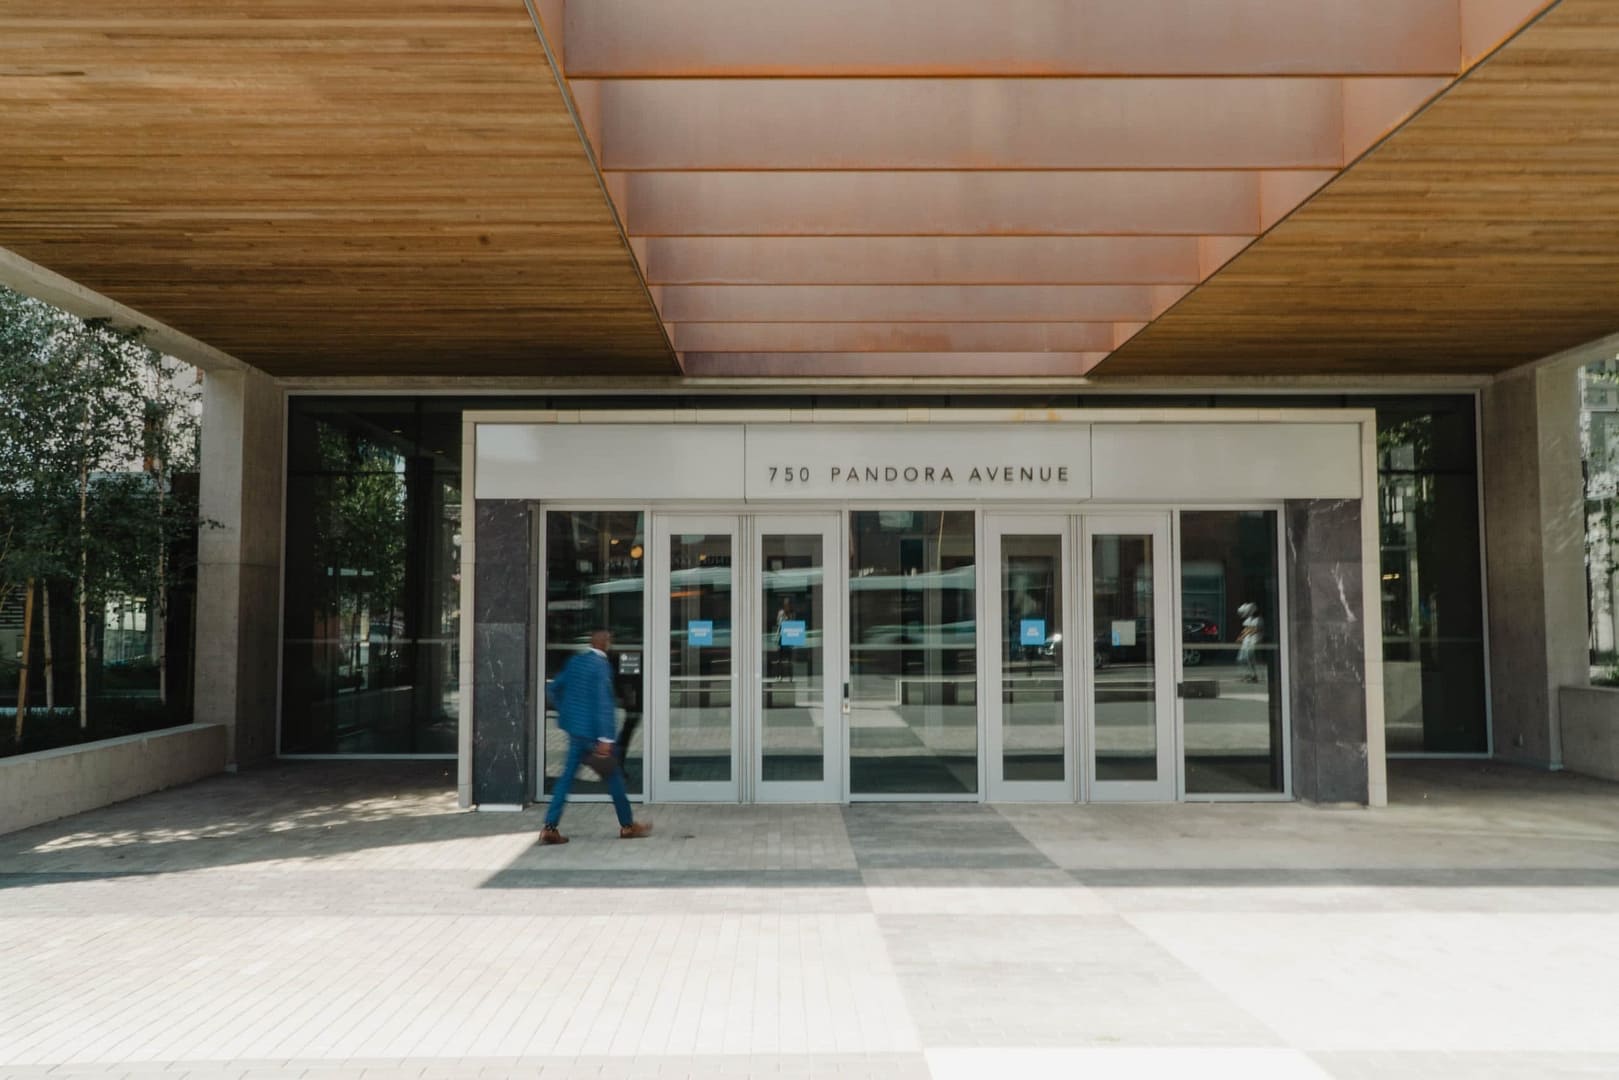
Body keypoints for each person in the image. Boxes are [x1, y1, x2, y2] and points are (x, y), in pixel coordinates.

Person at [539, 628, 651, 845]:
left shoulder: (576, 662)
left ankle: (550, 827)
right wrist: (606, 739)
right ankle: (627, 826)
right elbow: (603, 704)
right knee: (614, 777)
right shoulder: (602, 667)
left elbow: (552, 689)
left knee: (565, 779)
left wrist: (566, 713)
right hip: (593, 737)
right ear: (606, 644)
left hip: (576, 734)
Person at [1236, 603, 1264, 683]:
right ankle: (1249, 675)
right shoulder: (1249, 619)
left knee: (1251, 658)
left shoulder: (1258, 619)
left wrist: (1242, 636)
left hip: (1254, 641)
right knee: (1244, 659)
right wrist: (1241, 636)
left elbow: (1253, 629)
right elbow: (1247, 629)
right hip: (1247, 641)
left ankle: (1254, 676)